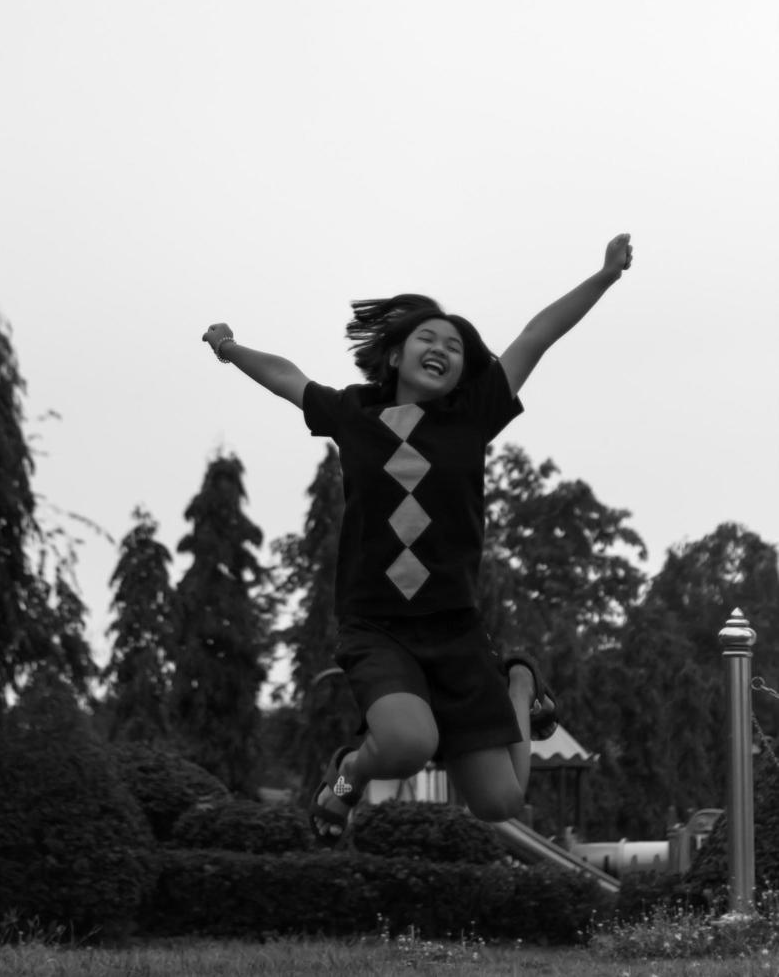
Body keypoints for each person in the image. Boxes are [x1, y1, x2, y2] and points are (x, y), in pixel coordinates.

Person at [201, 234, 633, 844]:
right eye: (427, 339)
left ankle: (519, 681)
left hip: (454, 629)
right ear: (396, 356)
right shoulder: (354, 415)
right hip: (378, 625)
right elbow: (285, 377)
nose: (442, 349)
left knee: (501, 799)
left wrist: (604, 276)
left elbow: (536, 336)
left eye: (455, 346)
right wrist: (229, 347)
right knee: (407, 743)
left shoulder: (474, 414)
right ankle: (347, 778)